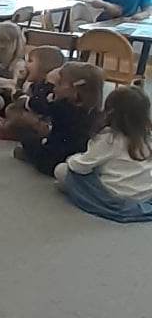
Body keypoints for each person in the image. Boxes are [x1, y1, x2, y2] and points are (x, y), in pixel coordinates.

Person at [56, 86, 152, 221]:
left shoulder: (109, 139)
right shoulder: (147, 137)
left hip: (116, 197)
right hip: (146, 194)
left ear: (110, 112)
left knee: (62, 170)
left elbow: (79, 166)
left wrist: (73, 159)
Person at [13, 60, 102, 175]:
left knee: (28, 138)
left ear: (75, 90)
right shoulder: (95, 111)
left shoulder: (62, 106)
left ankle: (28, 154)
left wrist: (47, 84)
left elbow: (38, 104)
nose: (54, 88)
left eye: (58, 84)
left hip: (52, 159)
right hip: (79, 156)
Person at [0, 43, 64, 143]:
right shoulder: (35, 84)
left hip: (42, 123)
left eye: (30, 61)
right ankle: (4, 123)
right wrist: (20, 81)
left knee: (19, 115)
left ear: (44, 67)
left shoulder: (50, 88)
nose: (26, 64)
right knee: (11, 108)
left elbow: (39, 106)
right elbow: (18, 96)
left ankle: (6, 127)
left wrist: (25, 100)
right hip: (30, 117)